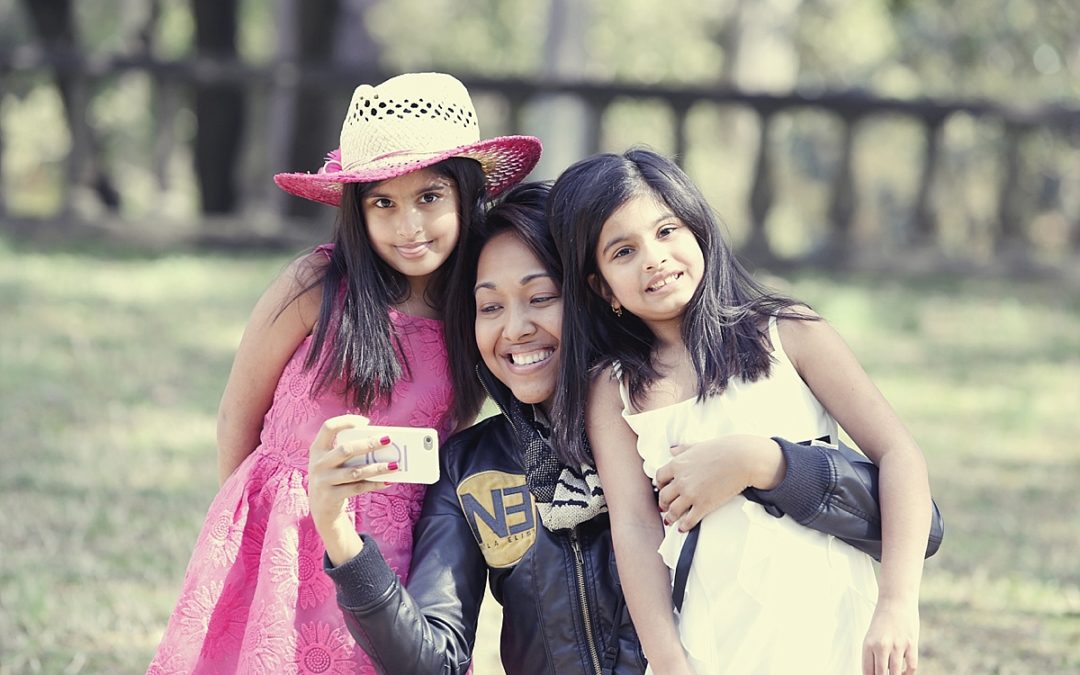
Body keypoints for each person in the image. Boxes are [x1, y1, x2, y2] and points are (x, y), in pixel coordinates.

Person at [306, 181, 931, 675]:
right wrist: (341, 539)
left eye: (540, 296)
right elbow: (433, 664)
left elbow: (919, 525)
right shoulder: (475, 468)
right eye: (489, 306)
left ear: (592, 295)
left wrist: (768, 463)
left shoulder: (676, 410)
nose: (515, 328)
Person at [147, 72, 541, 674]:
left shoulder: (473, 313)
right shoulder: (318, 285)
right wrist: (246, 534)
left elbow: (450, 428)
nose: (408, 227)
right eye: (383, 202)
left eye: (429, 198)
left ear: (467, 194)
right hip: (280, 528)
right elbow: (237, 411)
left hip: (387, 542)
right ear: (357, 209)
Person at [548, 148, 934, 675]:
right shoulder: (614, 391)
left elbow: (898, 454)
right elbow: (635, 528)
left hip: (835, 623)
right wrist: (668, 660)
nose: (654, 258)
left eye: (666, 231)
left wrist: (897, 606)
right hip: (716, 640)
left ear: (698, 229)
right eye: (623, 252)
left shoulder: (788, 332)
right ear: (601, 288)